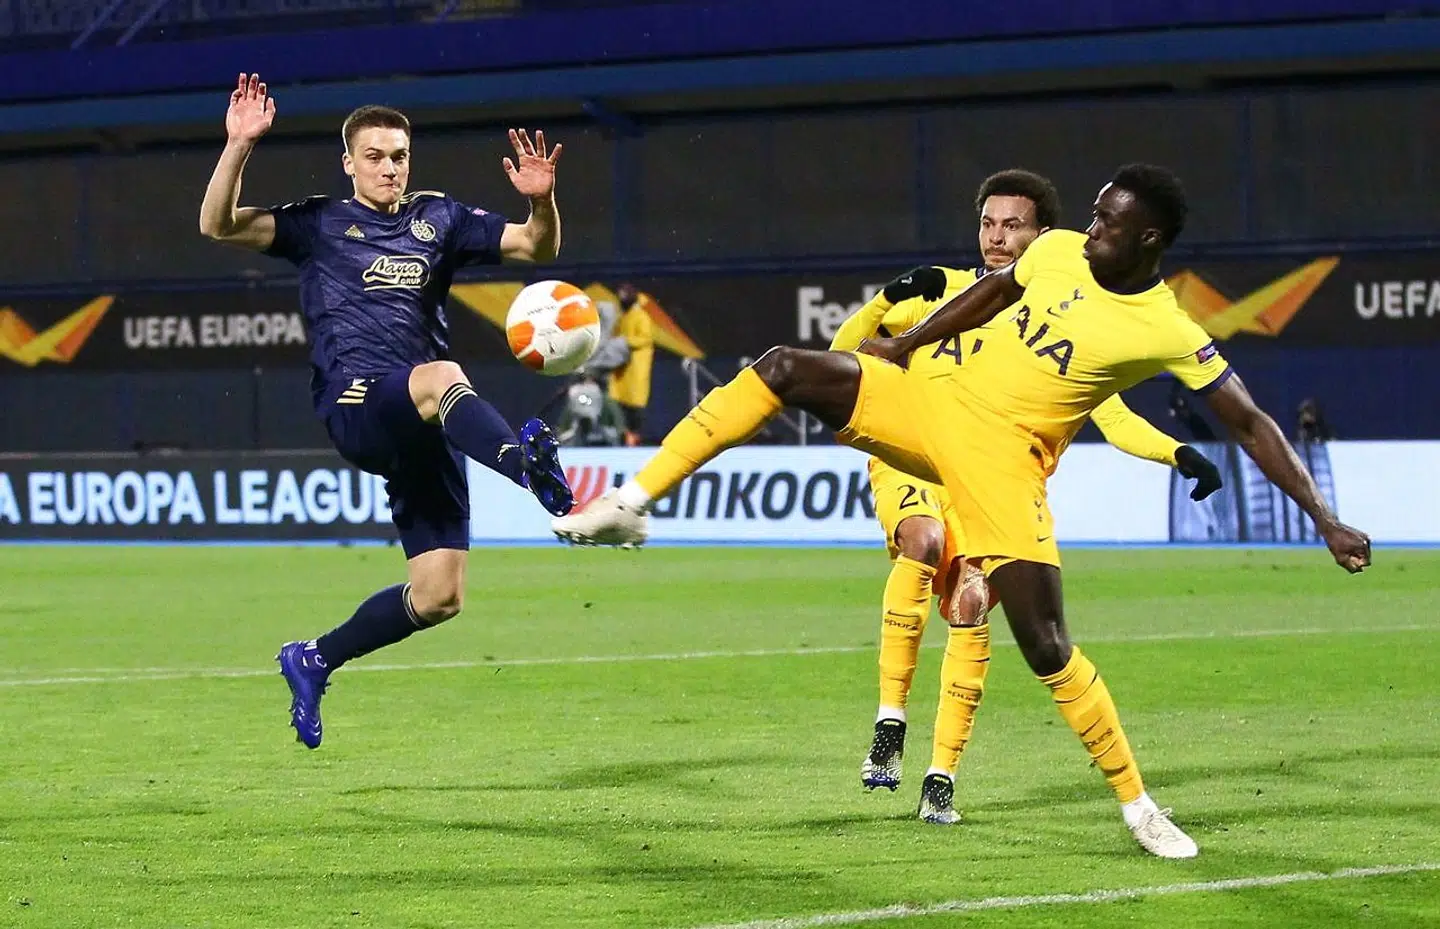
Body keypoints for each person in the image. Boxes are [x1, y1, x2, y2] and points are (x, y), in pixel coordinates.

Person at [551, 163, 1372, 857]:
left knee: (1047, 645)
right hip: (934, 406)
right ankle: (631, 500)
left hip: (1005, 465)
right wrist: (902, 348)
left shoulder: (1164, 327)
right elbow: (985, 298)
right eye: (1093, 214)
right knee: (782, 366)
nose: (1092, 231)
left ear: (1149, 239)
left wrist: (1323, 516)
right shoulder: (1053, 251)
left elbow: (1252, 422)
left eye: (1111, 223)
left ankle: (1138, 805)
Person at [828, 170, 1221, 825]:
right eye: (988, 223)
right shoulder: (941, 287)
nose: (997, 237)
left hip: (985, 473)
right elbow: (846, 352)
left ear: (1045, 236)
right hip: (911, 456)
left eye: (1013, 225)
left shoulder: (1057, 312)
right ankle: (890, 719)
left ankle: (940, 776)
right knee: (923, 539)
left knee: (973, 598)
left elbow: (1113, 414)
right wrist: (881, 305)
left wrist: (1176, 452)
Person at [199, 73, 575, 749]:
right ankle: (527, 469)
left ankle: (314, 656)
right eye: (374, 155)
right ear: (349, 163)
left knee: (439, 595)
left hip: (426, 421)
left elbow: (535, 247)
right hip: (357, 400)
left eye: (399, 155)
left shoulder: (440, 219)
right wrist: (238, 146)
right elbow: (217, 224)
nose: (389, 167)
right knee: (443, 375)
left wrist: (543, 202)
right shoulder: (318, 225)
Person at [608, 283, 656, 445]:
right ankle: (626, 438)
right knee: (620, 408)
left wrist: (624, 341)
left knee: (635, 409)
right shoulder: (623, 317)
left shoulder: (641, 316)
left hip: (635, 370)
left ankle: (634, 440)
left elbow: (646, 338)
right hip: (621, 371)